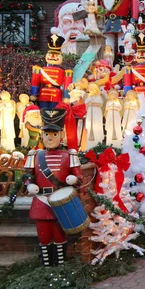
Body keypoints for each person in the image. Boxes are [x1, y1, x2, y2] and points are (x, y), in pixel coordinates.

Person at [25, 108, 83, 267]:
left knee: (60, 236)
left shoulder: (69, 155)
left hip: (60, 203)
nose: (50, 138)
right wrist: (29, 185)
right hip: (41, 202)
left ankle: (60, 266)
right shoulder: (34, 156)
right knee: (43, 237)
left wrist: (74, 179)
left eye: (54, 134)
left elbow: (79, 179)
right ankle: (46, 267)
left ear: (61, 135)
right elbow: (27, 177)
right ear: (42, 135)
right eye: (47, 134)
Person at [30, 34, 73, 109]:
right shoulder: (40, 69)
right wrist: (34, 94)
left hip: (56, 94)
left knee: (55, 111)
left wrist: (66, 96)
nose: (53, 57)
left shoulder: (65, 72)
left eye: (56, 55)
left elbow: (67, 85)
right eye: (50, 54)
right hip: (43, 93)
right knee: (43, 111)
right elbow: (35, 82)